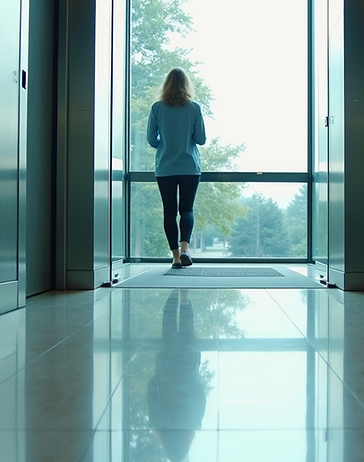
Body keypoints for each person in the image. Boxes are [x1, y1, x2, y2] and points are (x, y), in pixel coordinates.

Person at [147, 68, 207, 269]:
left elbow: (151, 140)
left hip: (165, 167)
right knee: (187, 209)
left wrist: (165, 143)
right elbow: (201, 139)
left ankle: (174, 257)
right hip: (190, 166)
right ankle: (185, 250)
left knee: (169, 212)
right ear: (186, 85)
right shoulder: (194, 108)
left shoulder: (157, 108)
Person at [147, 289, 206, 462]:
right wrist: (156, 379)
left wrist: (194, 382)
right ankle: (174, 296)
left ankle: (184, 298)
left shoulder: (193, 424)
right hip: (166, 367)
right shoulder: (159, 424)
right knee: (168, 326)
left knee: (188, 328)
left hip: (187, 369)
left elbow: (201, 397)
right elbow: (152, 397)